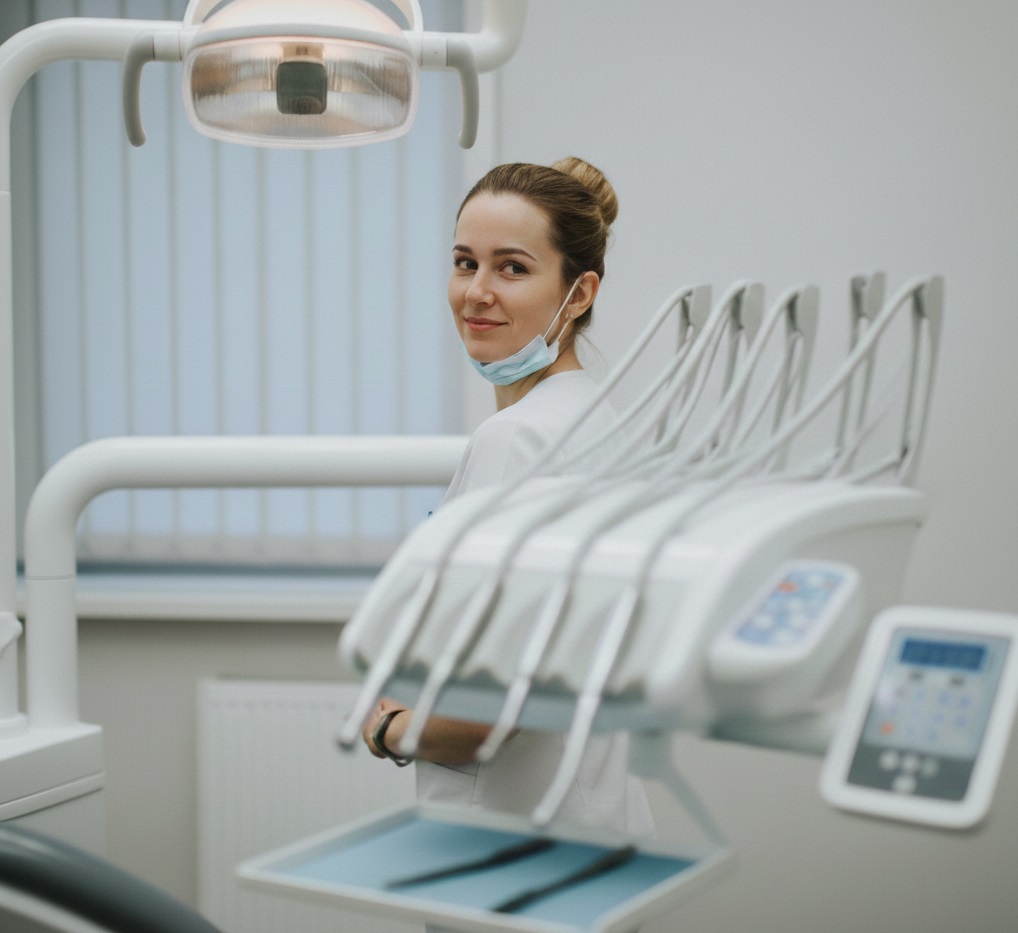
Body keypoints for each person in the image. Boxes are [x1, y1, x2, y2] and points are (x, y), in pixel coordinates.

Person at [361, 158, 654, 840]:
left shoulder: (517, 442)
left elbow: (481, 719)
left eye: (513, 268)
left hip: (509, 841)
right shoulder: (601, 418)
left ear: (578, 292)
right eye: (465, 262)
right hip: (595, 822)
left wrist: (386, 726)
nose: (476, 292)